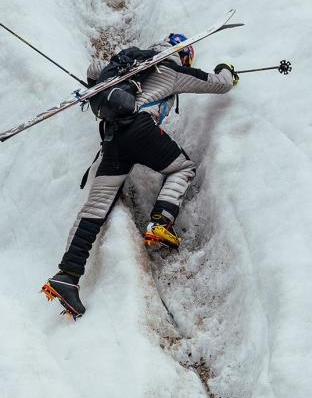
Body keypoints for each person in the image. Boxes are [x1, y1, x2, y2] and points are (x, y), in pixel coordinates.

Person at [41, 33, 239, 318]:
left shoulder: (128, 66)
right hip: (141, 129)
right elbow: (218, 85)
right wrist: (226, 70)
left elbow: (95, 70)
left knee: (95, 208)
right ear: (184, 55)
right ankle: (160, 222)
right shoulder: (172, 70)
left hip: (112, 138)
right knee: (182, 168)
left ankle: (67, 275)